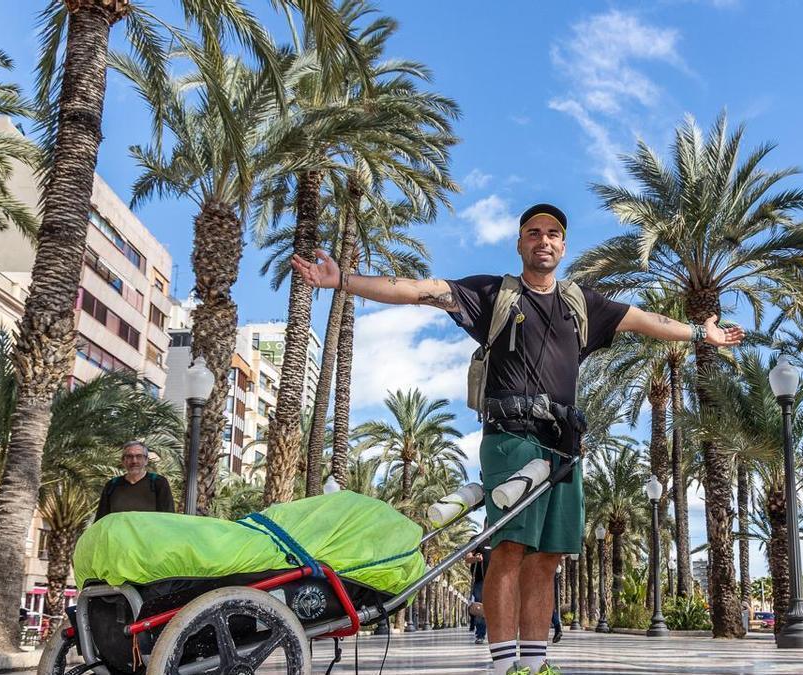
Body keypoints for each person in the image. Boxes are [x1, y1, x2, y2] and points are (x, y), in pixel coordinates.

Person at [292, 202, 743, 674]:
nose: (543, 240)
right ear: (520, 243)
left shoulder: (581, 303)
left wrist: (700, 333)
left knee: (548, 557)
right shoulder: (493, 294)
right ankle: (506, 666)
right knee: (508, 549)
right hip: (511, 438)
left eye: (552, 234)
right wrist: (343, 280)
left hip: (564, 447)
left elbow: (648, 321)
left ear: (563, 246)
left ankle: (535, 663)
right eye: (533, 232)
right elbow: (418, 290)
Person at [95, 441, 175, 520]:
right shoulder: (112, 485)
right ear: (123, 461)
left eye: (139, 456)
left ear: (146, 460)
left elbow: (168, 517)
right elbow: (101, 519)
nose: (134, 461)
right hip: (118, 533)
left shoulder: (158, 483)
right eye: (129, 456)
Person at [465, 536, 491, 645]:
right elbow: (467, 559)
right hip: (481, 581)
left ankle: (502, 636)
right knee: (480, 607)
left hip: (500, 581)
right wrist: (476, 558)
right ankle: (480, 635)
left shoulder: (501, 538)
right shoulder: (477, 539)